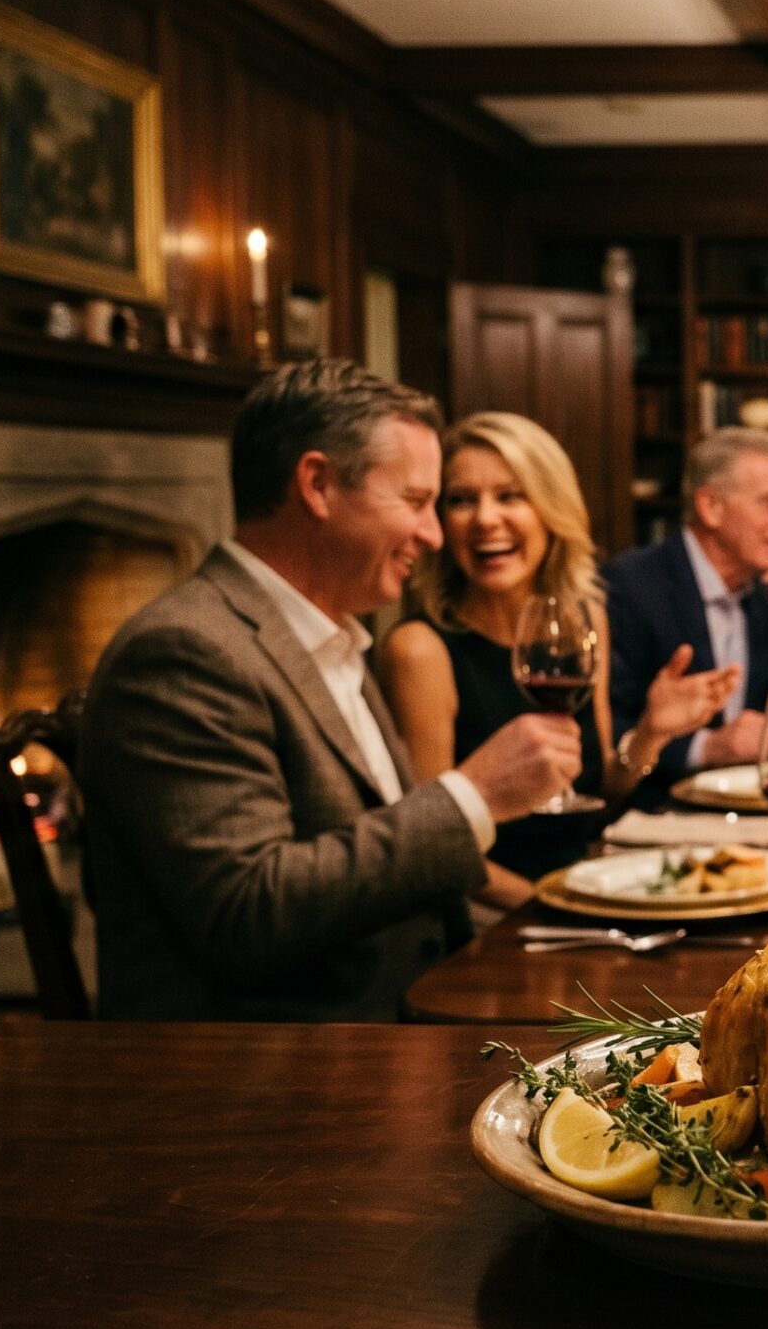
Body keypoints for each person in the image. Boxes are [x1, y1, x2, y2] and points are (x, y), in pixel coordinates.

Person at [78, 361, 584, 1021]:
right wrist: (473, 796)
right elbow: (246, 914)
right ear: (317, 485)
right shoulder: (185, 650)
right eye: (415, 501)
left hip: (412, 1006)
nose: (434, 535)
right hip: (282, 1055)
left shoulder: (331, 634)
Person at [380, 412, 737, 911]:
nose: (484, 519)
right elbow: (434, 846)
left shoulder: (585, 620)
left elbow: (599, 792)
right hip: (494, 916)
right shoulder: (420, 650)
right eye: (461, 500)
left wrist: (652, 732)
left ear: (551, 510)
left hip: (584, 890)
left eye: (510, 496)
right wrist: (558, 906)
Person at [603, 428, 768, 789]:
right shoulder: (630, 587)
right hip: (657, 807)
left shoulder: (764, 591)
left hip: (753, 805)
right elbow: (603, 735)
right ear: (710, 507)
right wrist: (708, 747)